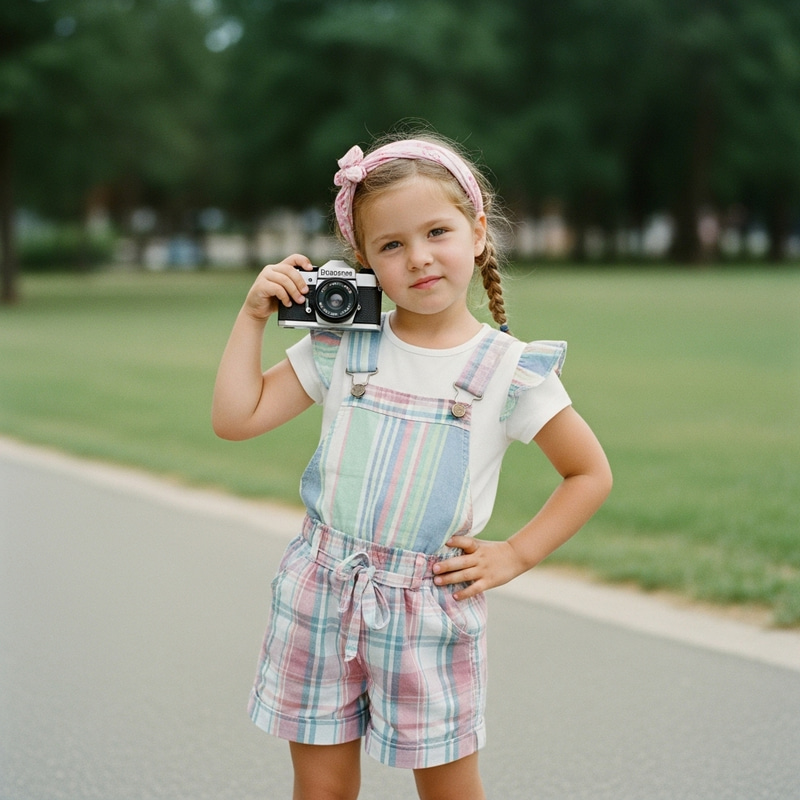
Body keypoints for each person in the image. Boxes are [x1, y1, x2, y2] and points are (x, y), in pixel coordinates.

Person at [212, 128, 612, 800]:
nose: (419, 258)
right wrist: (252, 315)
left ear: (478, 232)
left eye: (437, 232)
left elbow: (589, 473)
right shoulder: (344, 344)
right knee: (322, 789)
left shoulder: (511, 373)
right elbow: (236, 417)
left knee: (449, 790)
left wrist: (515, 554)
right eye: (392, 245)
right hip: (321, 591)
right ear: (365, 260)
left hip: (430, 607)